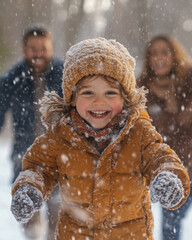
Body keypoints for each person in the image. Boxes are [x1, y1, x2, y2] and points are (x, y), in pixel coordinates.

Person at [10, 37, 190, 240]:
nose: (99, 101)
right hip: (76, 234)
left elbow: (160, 156)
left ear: (125, 98)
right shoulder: (61, 135)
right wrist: (30, 187)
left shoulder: (138, 131)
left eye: (110, 92)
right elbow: (38, 167)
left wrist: (168, 176)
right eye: (88, 92)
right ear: (72, 98)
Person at [0, 25, 64, 239]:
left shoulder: (65, 75)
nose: (38, 53)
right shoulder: (12, 79)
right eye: (32, 48)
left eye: (43, 48)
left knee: (57, 220)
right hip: (24, 158)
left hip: (59, 159)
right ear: (23, 49)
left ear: (51, 48)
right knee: (29, 218)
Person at [137, 35, 192, 240]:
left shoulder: (189, 79)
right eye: (154, 53)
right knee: (171, 226)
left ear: (174, 55)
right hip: (168, 167)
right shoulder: (142, 88)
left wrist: (167, 118)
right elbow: (146, 127)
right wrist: (178, 117)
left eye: (165, 52)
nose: (159, 57)